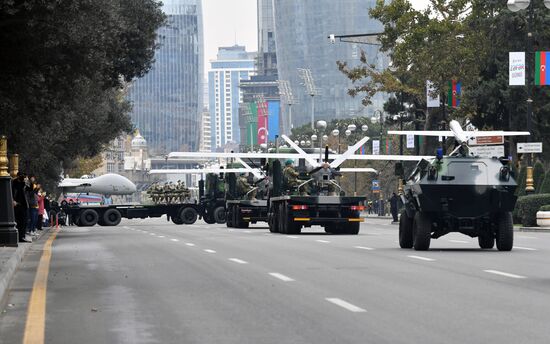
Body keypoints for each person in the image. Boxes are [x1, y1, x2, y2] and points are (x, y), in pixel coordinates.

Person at [12, 172, 30, 242]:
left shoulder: (24, 183)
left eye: (23, 176)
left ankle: (22, 237)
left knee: (24, 222)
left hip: (24, 205)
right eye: (21, 176)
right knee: (17, 221)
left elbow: (30, 189)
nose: (22, 177)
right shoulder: (13, 182)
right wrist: (13, 200)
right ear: (18, 176)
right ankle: (18, 237)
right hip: (16, 205)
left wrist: (27, 181)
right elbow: (11, 192)